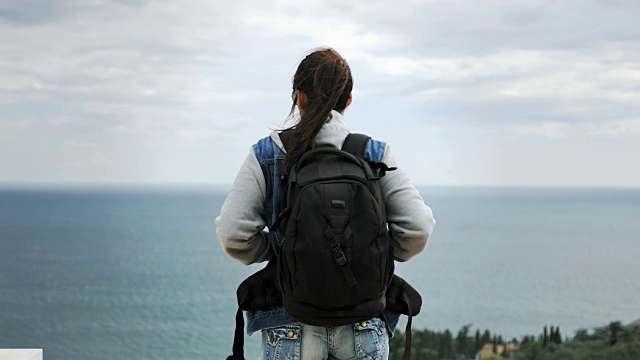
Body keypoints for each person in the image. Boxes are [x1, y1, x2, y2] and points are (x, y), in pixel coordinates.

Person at [216, 47, 435, 360]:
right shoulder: (374, 153)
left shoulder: (267, 153)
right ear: (348, 100)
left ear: (298, 97)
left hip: (289, 318)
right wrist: (374, 250)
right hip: (364, 320)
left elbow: (232, 234)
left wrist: (283, 249)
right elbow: (418, 230)